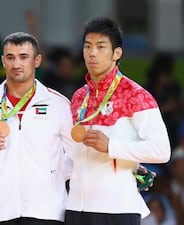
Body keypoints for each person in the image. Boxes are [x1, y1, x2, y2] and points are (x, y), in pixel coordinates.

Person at [65, 17, 171, 225]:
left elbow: (161, 150)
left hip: (117, 208)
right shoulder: (79, 97)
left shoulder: (136, 95)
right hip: (76, 206)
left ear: (117, 53)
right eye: (88, 46)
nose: (92, 53)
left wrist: (112, 146)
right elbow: (72, 153)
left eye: (100, 47)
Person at [0, 32, 74, 225]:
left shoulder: (58, 104)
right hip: (2, 212)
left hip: (48, 213)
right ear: (3, 61)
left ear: (37, 60)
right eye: (10, 57)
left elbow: (77, 155)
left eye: (23, 57)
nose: (16, 64)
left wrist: (53, 174)